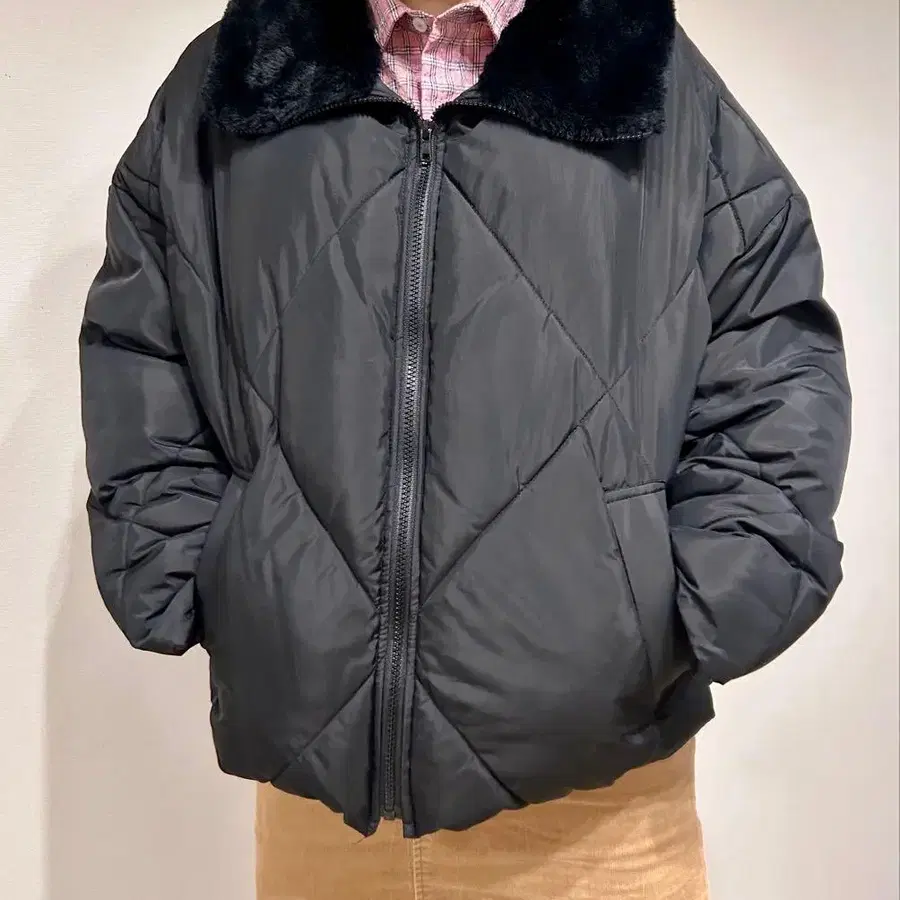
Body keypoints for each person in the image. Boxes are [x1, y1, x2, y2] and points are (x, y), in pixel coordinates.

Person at [79, 0, 851, 897]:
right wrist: (197, 572)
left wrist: (689, 607)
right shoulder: (232, 79)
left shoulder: (655, 80)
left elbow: (772, 354)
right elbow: (144, 349)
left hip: (599, 814)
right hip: (320, 813)